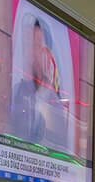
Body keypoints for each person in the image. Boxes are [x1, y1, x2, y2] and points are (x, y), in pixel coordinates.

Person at [10, 18, 69, 148]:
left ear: (47, 53)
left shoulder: (56, 104)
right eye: (27, 45)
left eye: (36, 45)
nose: (31, 52)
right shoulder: (15, 93)